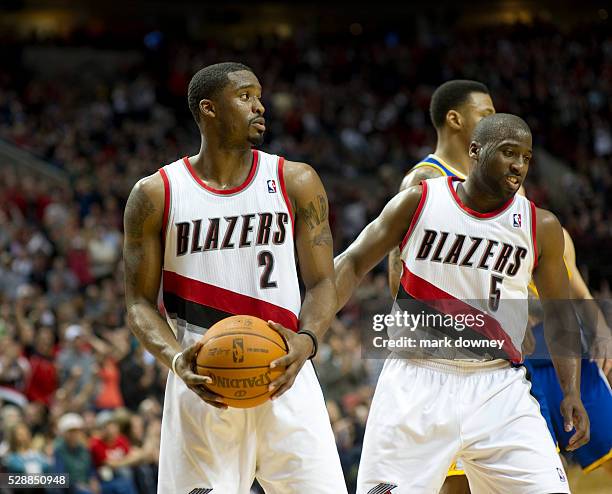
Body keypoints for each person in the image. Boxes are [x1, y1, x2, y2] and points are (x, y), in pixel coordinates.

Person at [335, 113, 590, 493]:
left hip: (498, 386)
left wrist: (572, 391)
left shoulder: (541, 226)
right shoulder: (420, 200)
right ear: (475, 150)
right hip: (414, 380)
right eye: (508, 153)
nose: (519, 165)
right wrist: (306, 328)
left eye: (526, 157)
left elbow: (560, 314)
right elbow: (352, 262)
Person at [123, 62, 346, 494]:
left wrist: (308, 340)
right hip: (204, 382)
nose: (259, 106)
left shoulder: (295, 180)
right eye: (245, 96)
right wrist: (175, 359)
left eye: (259, 95)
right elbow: (137, 304)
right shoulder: (155, 193)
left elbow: (322, 284)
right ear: (208, 109)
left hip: (286, 374)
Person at [388, 80, 495, 299]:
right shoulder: (427, 179)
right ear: (455, 120)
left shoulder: (489, 183)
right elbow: (398, 271)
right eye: (486, 116)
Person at [524, 229, 612, 476]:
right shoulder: (478, 228)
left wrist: (602, 330)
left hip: (572, 360)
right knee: (540, 475)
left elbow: (581, 293)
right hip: (520, 370)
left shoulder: (551, 231)